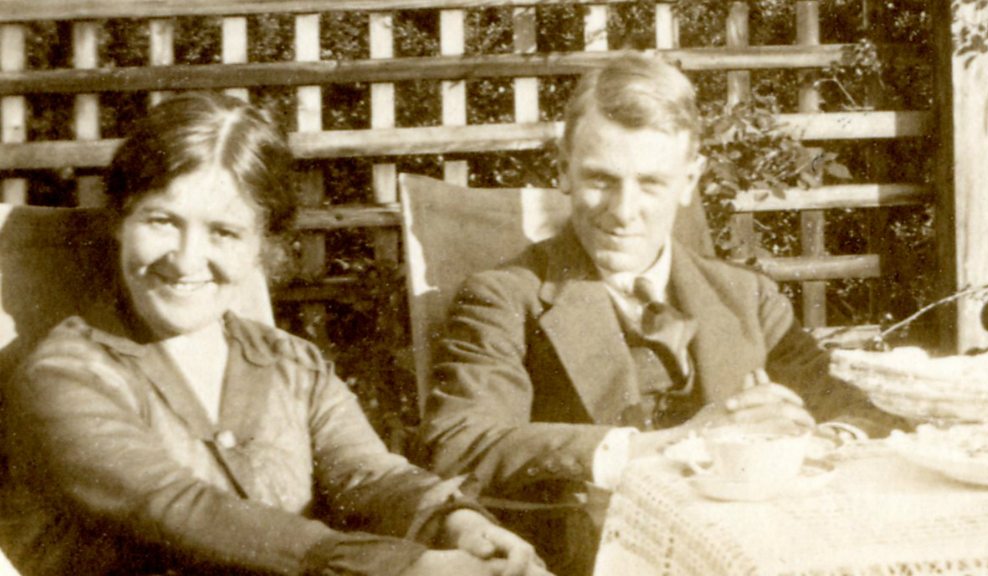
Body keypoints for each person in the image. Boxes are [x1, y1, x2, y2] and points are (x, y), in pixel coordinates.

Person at [0, 92, 551, 576]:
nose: (186, 259)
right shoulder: (65, 375)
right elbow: (177, 508)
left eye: (223, 231)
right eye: (162, 221)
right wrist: (401, 567)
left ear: (261, 247)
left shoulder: (292, 365)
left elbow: (368, 477)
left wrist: (456, 523)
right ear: (119, 222)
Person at [417, 52, 899, 575]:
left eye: (650, 183)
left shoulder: (747, 297)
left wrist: (805, 436)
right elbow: (461, 444)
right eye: (601, 179)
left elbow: (864, 415)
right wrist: (669, 445)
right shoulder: (506, 297)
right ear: (563, 170)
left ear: (689, 180)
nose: (623, 211)